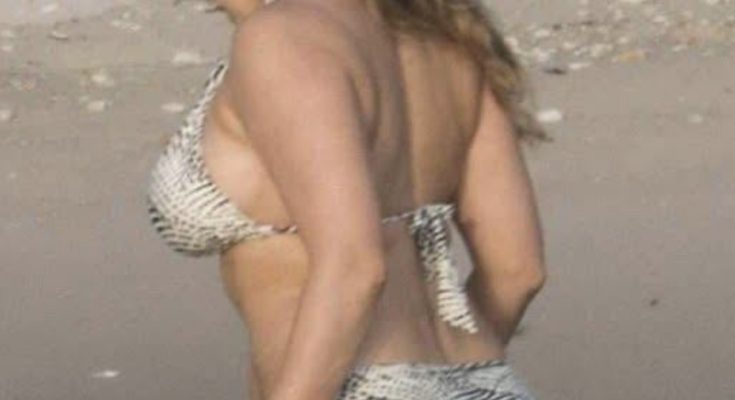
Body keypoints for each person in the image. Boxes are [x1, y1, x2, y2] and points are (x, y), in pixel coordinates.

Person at [146, 0, 552, 398]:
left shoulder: (283, 39)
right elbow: (517, 270)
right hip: (485, 380)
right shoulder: (448, 44)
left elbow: (355, 266)